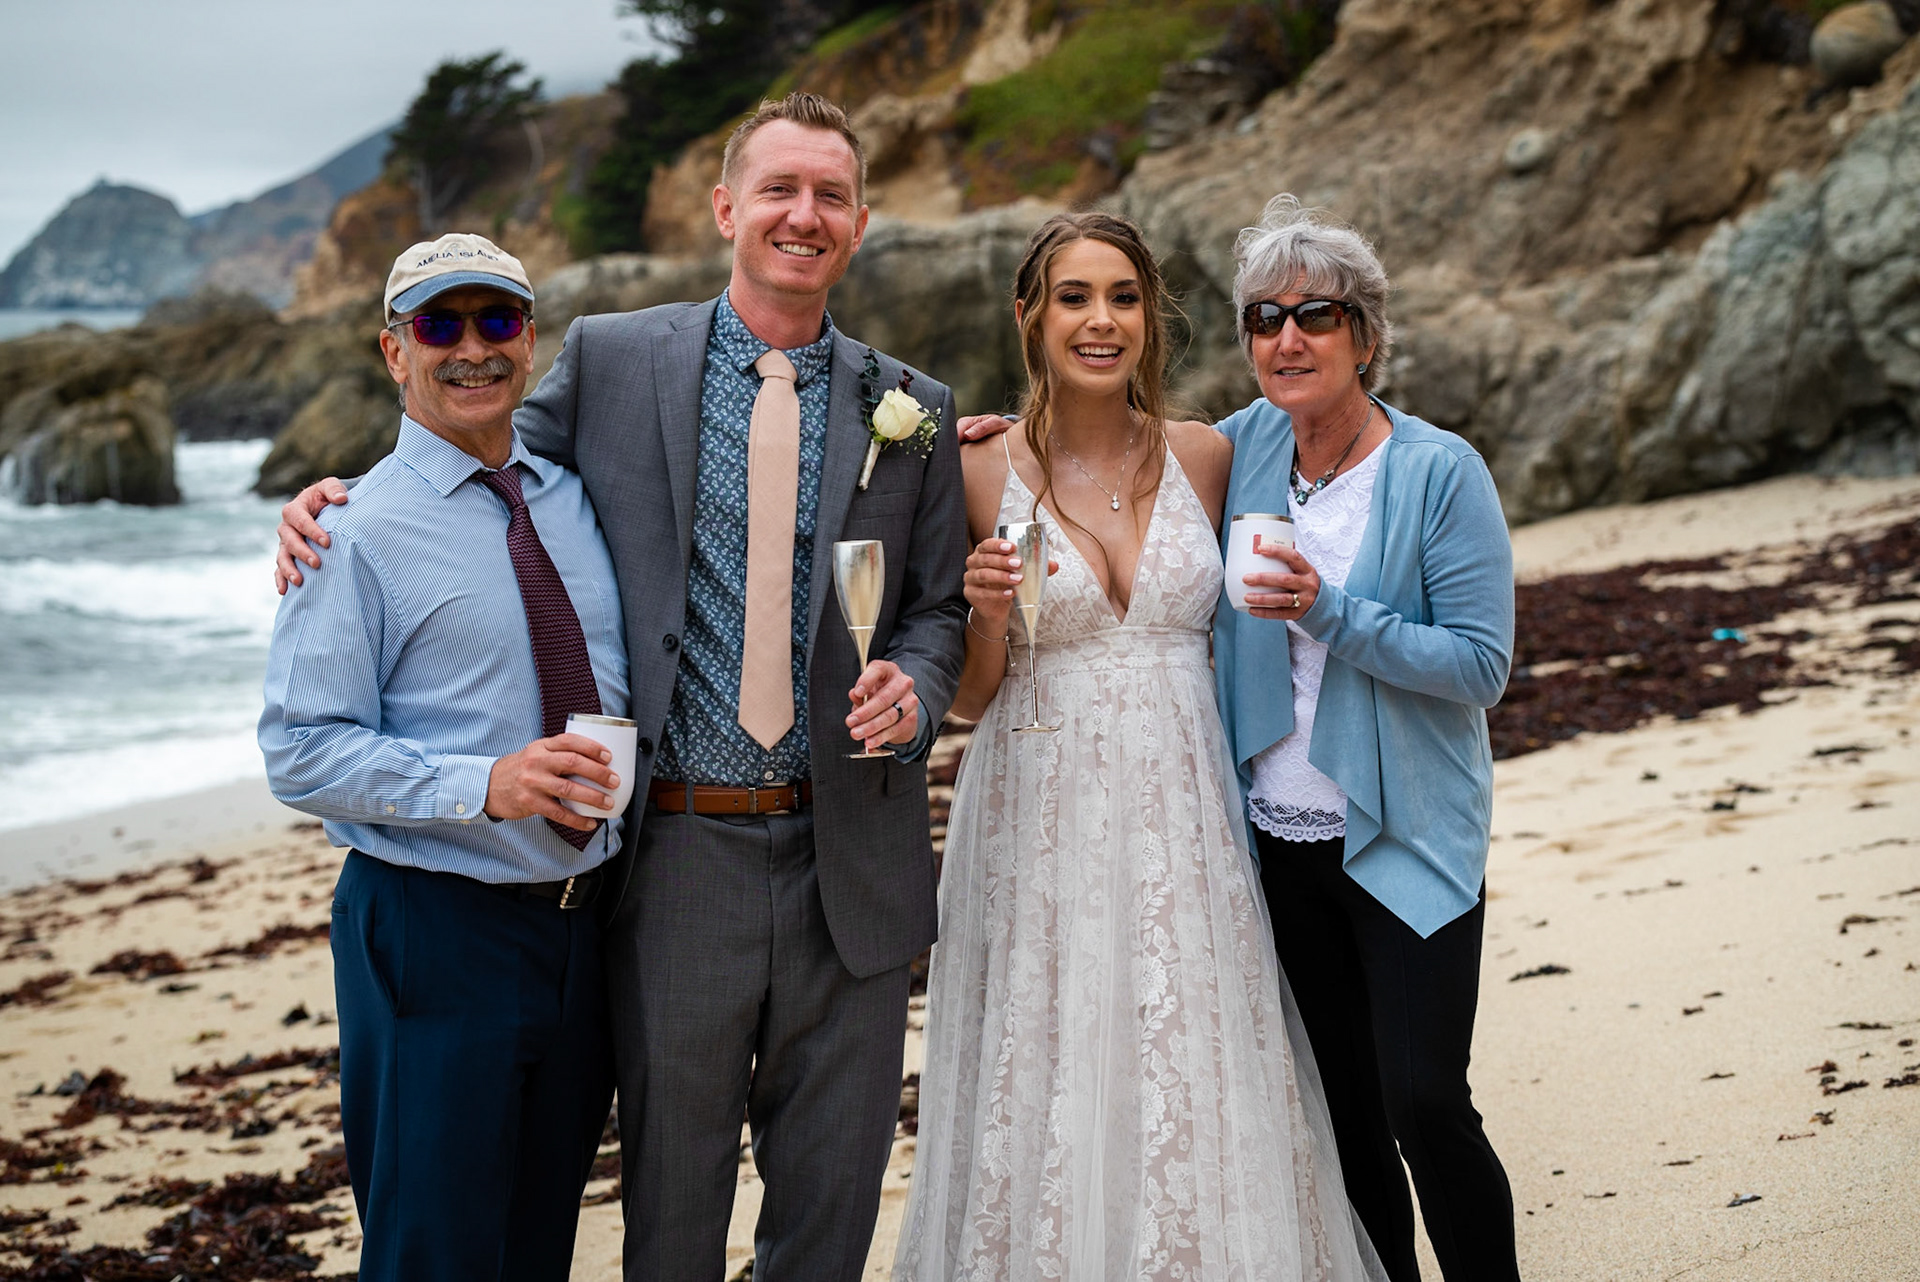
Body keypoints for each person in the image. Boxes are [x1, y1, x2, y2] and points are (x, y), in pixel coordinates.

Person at [276, 93, 968, 1282]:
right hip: (675, 860)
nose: (804, 215)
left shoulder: (915, 411)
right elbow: (473, 445)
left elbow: (937, 606)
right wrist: (328, 504)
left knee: (832, 1213)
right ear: (726, 209)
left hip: (851, 860)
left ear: (861, 222)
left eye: (832, 195)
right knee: (671, 1218)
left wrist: (915, 681)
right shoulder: (610, 360)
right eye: (779, 189)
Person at [897, 212, 1383, 1281]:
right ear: (1030, 316)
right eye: (1073, 297)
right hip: (1037, 808)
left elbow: (1339, 440)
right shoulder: (972, 470)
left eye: (1122, 297)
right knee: (1051, 1053)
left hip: (1186, 806)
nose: (1100, 321)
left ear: (1152, 319)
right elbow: (970, 698)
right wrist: (986, 615)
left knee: (1192, 1043)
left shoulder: (1210, 454)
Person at [260, 232, 629, 1282]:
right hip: (434, 927)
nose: (473, 349)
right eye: (440, 325)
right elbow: (299, 749)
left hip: (586, 930)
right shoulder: (352, 531)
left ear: (531, 340)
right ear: (394, 351)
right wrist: (488, 785)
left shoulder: (580, 498)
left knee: (534, 1249)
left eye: (496, 320)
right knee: (432, 1252)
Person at [1214, 195, 1521, 1281]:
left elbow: (1481, 666)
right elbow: (1112, 460)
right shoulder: (1237, 448)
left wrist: (1329, 611)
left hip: (1407, 833)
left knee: (1425, 1101)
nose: (1287, 339)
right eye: (1264, 318)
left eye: (1316, 314)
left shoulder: (1439, 471)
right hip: (1277, 837)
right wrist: (1002, 442)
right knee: (1345, 1118)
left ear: (1366, 334)